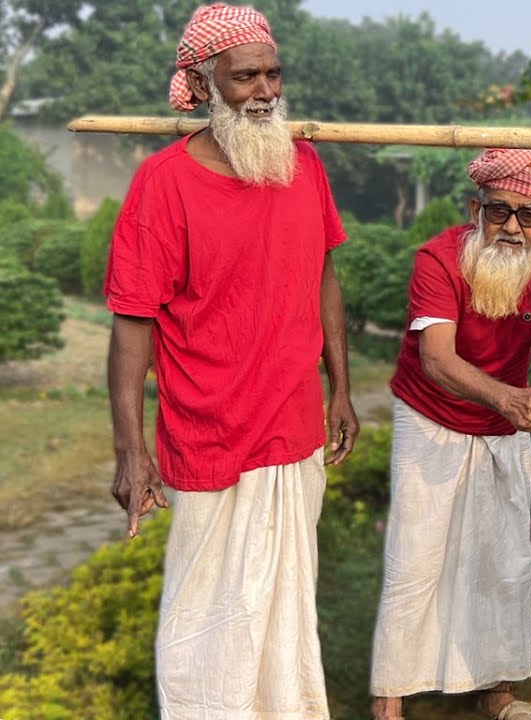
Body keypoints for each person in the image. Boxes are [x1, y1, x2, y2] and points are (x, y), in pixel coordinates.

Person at [105, 4, 358, 719]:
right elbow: (131, 327)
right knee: (204, 623)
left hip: (295, 427)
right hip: (207, 435)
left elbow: (323, 277)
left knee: (285, 610)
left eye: (272, 73)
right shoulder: (162, 185)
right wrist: (130, 451)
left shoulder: (304, 164)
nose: (264, 90)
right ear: (200, 80)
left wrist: (341, 388)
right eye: (243, 75)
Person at [369, 148, 531, 720]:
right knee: (415, 560)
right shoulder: (436, 258)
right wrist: (509, 398)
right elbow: (435, 359)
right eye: (500, 211)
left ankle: (498, 695)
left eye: (529, 215)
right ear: (474, 209)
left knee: (505, 560)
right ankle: (390, 701)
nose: (512, 226)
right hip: (431, 416)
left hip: (505, 419)